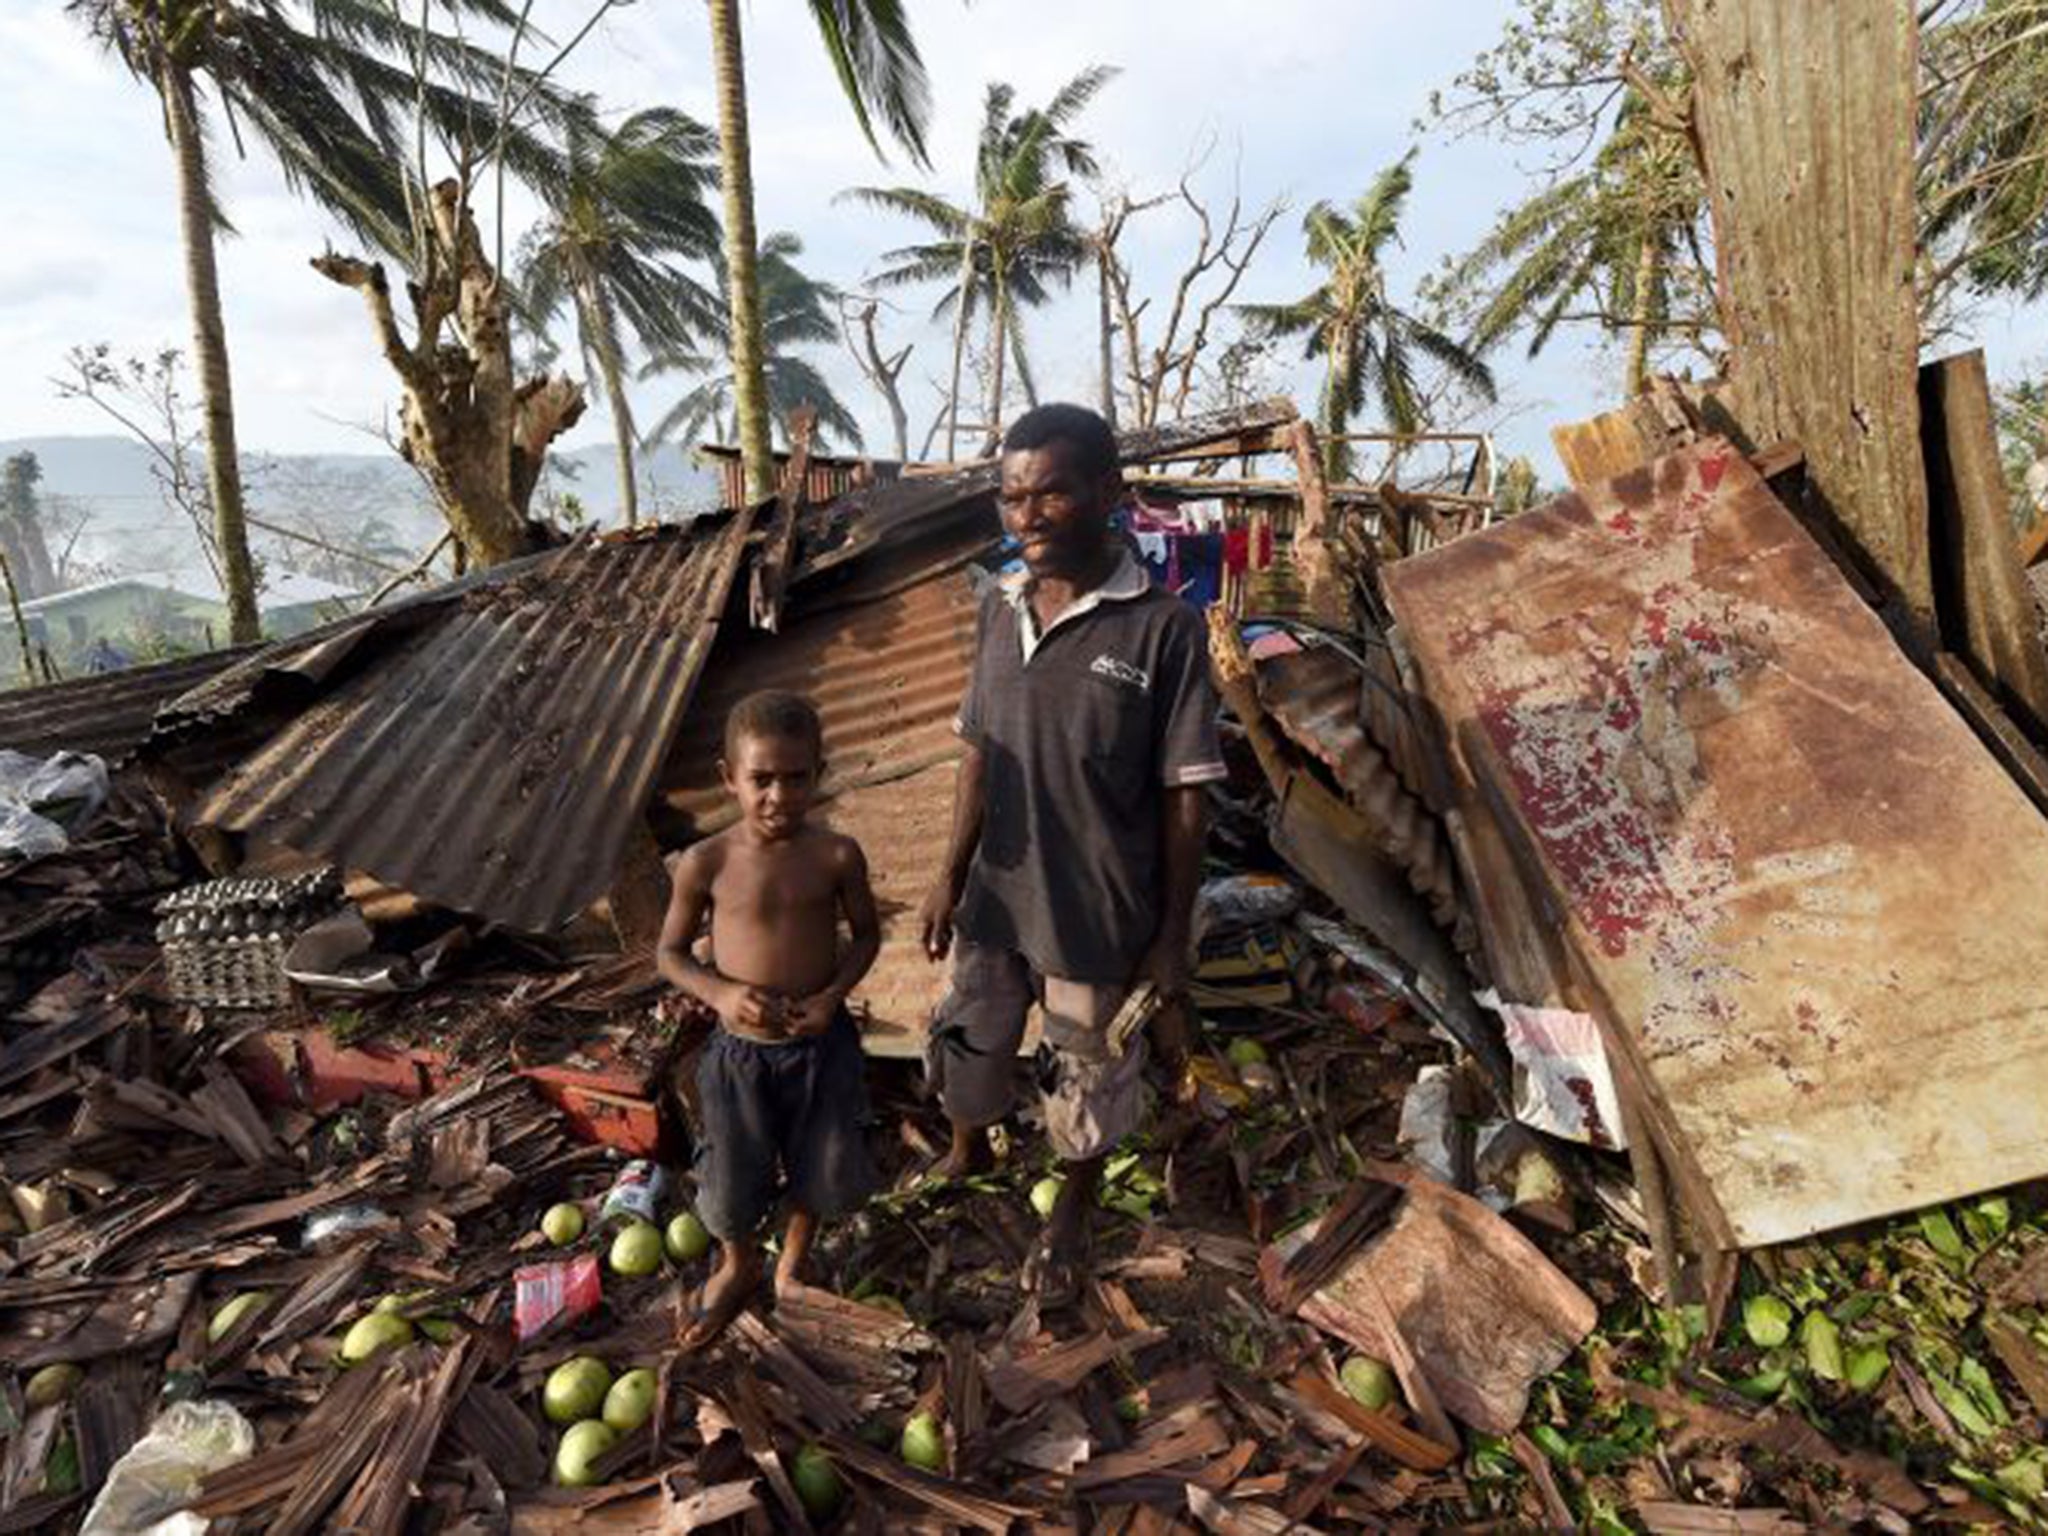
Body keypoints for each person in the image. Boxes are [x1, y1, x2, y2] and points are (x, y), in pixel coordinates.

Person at [920, 402, 1224, 1306]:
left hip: (1097, 908)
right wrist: (946, 871)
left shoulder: (1161, 629)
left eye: (1051, 493)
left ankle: (1073, 1210)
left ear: (1109, 494)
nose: (1028, 517)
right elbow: (979, 748)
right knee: (966, 1041)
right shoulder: (996, 606)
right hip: (997, 896)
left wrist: (1170, 939)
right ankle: (968, 1145)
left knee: (1083, 1075)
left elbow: (1186, 799)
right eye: (1012, 498)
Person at [656, 690, 882, 1349]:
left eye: (795, 777)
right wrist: (722, 994)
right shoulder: (708, 863)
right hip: (740, 1056)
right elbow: (669, 953)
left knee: (828, 1164)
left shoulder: (838, 855)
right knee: (729, 1181)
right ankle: (738, 1261)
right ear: (730, 778)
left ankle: (794, 1258)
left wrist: (833, 994)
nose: (778, 796)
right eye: (761, 779)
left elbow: (865, 938)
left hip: (821, 1047)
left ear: (819, 772)